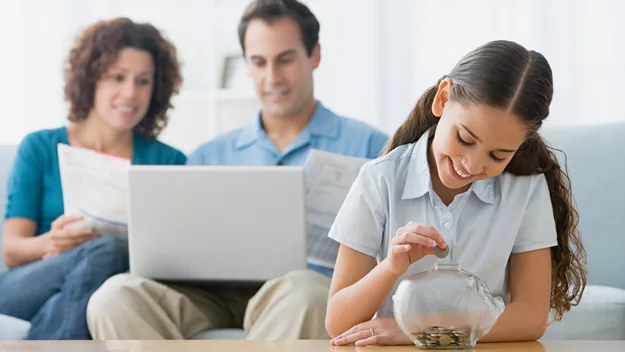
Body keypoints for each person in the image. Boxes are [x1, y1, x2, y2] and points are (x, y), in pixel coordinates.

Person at [86, 0, 388, 341]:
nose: (272, 77)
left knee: (305, 292)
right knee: (114, 297)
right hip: (209, 296)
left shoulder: (372, 149)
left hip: (302, 292)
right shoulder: (208, 155)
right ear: (246, 64)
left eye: (285, 60)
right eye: (258, 62)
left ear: (314, 56)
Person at [325, 40, 588, 346]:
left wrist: (416, 330)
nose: (472, 165)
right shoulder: (380, 178)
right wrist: (391, 267)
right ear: (443, 98)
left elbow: (531, 318)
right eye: (464, 139)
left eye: (498, 156)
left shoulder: (526, 188)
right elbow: (338, 322)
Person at [0, 17, 187, 340]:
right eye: (117, 77)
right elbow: (12, 250)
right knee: (104, 251)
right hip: (31, 281)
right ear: (91, 80)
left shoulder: (169, 161)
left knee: (107, 277)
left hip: (112, 289)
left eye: (143, 81)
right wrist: (52, 243)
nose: (130, 93)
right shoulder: (41, 147)